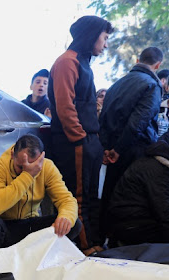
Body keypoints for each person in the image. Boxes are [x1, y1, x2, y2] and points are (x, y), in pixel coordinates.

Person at [48, 15, 113, 250]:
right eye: (105, 38)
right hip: (75, 142)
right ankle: (85, 247)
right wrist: (81, 138)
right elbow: (65, 106)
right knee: (79, 199)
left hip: (88, 140)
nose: (106, 44)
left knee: (91, 197)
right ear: (92, 35)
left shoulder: (82, 62)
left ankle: (93, 243)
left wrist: (95, 142)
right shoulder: (67, 61)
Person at [98, 46, 164, 240]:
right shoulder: (152, 85)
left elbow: (103, 118)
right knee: (131, 199)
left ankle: (102, 239)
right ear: (158, 65)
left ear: (137, 60)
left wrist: (107, 147)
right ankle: (124, 243)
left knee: (110, 194)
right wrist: (119, 148)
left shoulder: (118, 83)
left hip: (112, 149)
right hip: (134, 148)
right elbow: (140, 121)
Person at [0, 134, 81, 249]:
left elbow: (66, 200)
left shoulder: (47, 167)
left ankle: (40, 258)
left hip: (28, 224)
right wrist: (28, 175)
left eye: (33, 166)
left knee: (72, 223)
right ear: (12, 155)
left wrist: (65, 217)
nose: (27, 169)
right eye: (21, 167)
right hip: (3, 225)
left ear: (41, 158)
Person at [108, 138, 169, 245]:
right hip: (135, 224)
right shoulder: (162, 172)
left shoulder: (152, 163)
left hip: (131, 221)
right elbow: (166, 211)